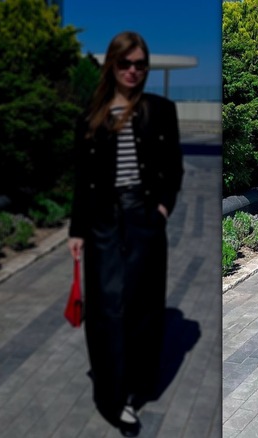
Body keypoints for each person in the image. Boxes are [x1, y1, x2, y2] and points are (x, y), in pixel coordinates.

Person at [67, 31, 183, 437]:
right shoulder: (91, 116)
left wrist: (161, 209)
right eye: (125, 63)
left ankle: (137, 385)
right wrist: (77, 230)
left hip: (144, 219)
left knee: (144, 306)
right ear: (112, 66)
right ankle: (112, 398)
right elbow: (82, 180)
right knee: (105, 310)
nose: (133, 71)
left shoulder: (160, 110)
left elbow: (173, 169)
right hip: (101, 223)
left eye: (140, 64)